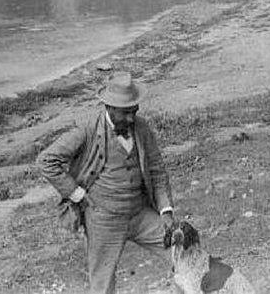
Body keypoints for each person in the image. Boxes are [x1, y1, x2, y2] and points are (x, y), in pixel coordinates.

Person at [39, 72, 176, 294]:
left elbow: (157, 171)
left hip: (140, 214)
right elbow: (47, 161)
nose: (131, 119)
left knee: (184, 252)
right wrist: (77, 194)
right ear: (109, 107)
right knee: (102, 284)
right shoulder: (87, 130)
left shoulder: (142, 128)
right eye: (126, 113)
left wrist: (166, 210)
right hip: (104, 220)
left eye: (135, 111)